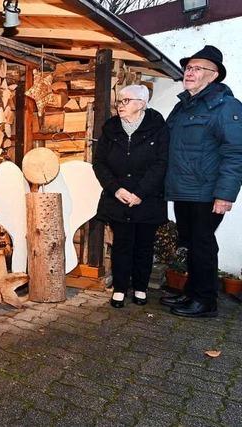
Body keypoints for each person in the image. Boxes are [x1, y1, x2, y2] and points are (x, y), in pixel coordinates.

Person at [160, 46, 242, 318]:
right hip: (183, 190)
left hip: (207, 192)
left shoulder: (226, 106)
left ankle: (205, 302)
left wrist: (225, 195)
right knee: (191, 243)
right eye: (188, 68)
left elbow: (235, 152)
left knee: (202, 245)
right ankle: (192, 292)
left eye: (197, 69)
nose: (189, 73)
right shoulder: (183, 106)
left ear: (214, 75)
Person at [93, 85, 169, 308]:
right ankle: (119, 288)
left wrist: (140, 193)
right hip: (118, 198)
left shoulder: (158, 127)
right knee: (122, 244)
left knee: (144, 245)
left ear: (141, 104)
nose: (120, 105)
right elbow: (99, 163)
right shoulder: (110, 128)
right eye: (119, 101)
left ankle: (140, 288)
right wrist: (116, 189)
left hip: (148, 199)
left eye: (126, 101)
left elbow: (161, 163)